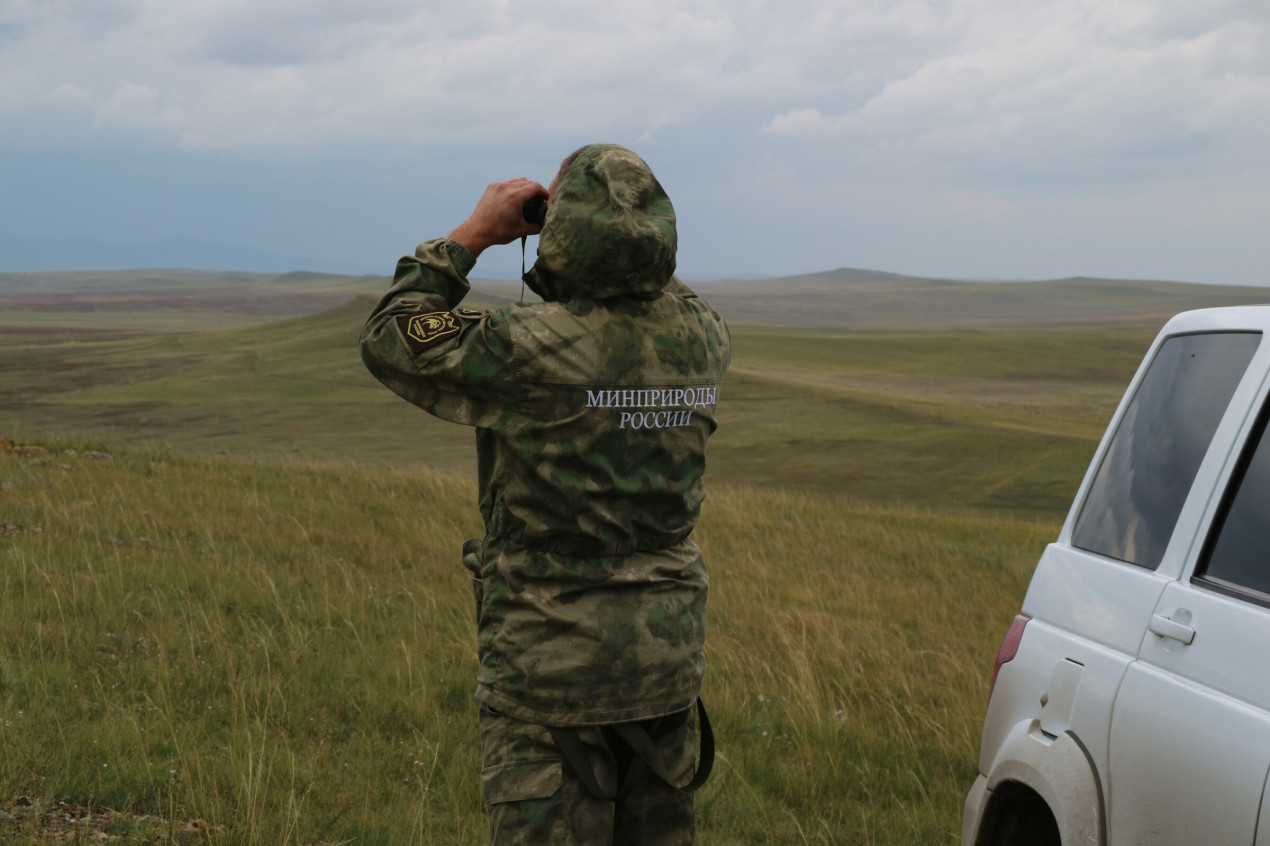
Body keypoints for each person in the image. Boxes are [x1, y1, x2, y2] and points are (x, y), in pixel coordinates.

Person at [360, 144, 731, 845]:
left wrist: (474, 234)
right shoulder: (704, 337)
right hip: (666, 664)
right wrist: (613, 240)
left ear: (562, 229)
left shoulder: (529, 347)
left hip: (549, 668)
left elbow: (392, 333)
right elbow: (651, 293)